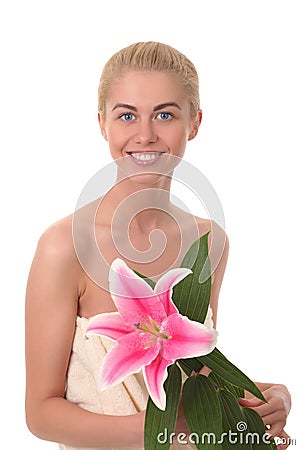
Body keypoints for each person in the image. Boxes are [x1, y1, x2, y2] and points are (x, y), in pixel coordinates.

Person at [25, 41, 291, 450]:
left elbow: (194, 375)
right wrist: (162, 429)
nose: (145, 135)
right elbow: (41, 415)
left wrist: (266, 396)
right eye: (126, 115)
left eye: (165, 114)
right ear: (103, 124)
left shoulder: (209, 240)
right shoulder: (64, 247)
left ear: (195, 123)